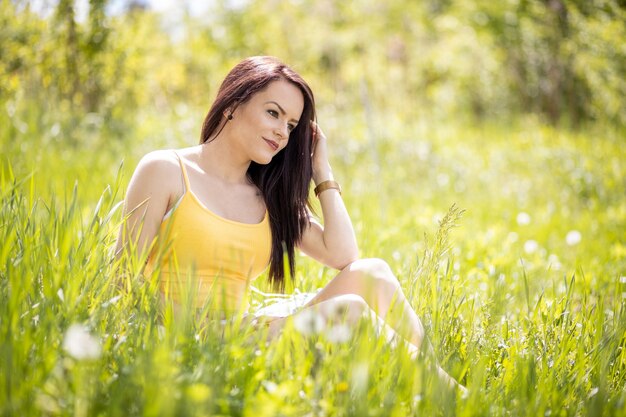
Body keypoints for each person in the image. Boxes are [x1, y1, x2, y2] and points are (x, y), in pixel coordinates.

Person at [115, 56, 465, 393]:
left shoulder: (267, 196)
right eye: (273, 113)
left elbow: (344, 255)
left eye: (292, 125)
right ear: (232, 104)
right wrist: (204, 327)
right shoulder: (165, 170)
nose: (282, 132)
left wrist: (322, 171)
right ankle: (455, 401)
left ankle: (435, 391)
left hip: (247, 330)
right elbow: (120, 280)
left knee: (373, 273)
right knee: (352, 312)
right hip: (189, 337)